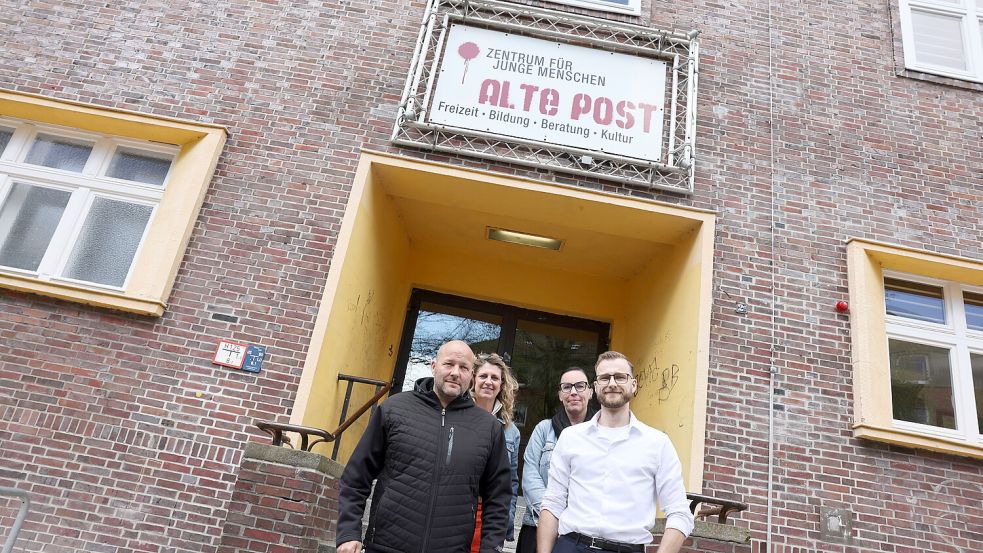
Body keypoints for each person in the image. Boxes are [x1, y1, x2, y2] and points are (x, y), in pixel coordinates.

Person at [336, 340, 512, 553]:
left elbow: (498, 498)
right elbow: (356, 476)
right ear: (434, 366)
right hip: (385, 545)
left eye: (464, 367)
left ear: (471, 375)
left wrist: (491, 549)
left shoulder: (489, 428)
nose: (455, 373)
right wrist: (348, 532)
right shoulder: (394, 409)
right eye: (449, 364)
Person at [538, 351, 694, 553]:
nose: (612, 383)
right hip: (571, 546)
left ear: (634, 385)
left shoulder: (658, 444)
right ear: (596, 387)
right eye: (604, 378)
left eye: (620, 377)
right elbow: (552, 503)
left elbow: (680, 513)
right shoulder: (570, 438)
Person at [515, 366, 597, 553]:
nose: (573, 392)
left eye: (580, 386)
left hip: (582, 535)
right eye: (567, 387)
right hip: (537, 527)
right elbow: (530, 478)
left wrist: (570, 522)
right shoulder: (544, 430)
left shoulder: (602, 435)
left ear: (590, 392)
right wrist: (552, 518)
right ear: (560, 395)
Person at [469, 353, 521, 553]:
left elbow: (511, 481)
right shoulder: (458, 417)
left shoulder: (511, 431)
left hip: (489, 515)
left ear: (501, 385)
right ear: (473, 379)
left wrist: (507, 519)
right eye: (483, 376)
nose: (488, 382)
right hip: (456, 509)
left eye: (495, 378)